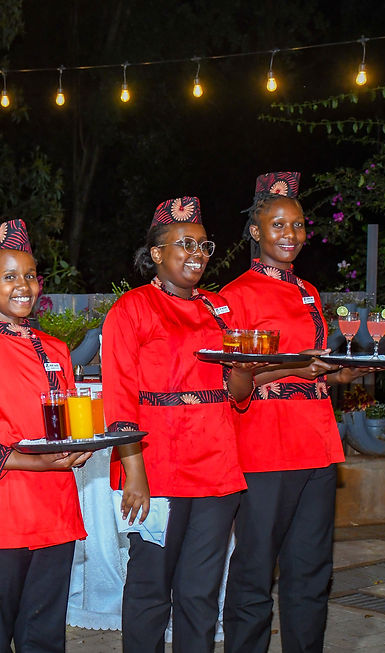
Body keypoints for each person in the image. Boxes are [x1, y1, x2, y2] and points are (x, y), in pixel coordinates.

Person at [220, 172, 372, 653]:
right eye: (278, 225)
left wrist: (336, 375)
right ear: (256, 232)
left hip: (318, 446)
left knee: (310, 570)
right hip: (264, 449)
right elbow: (232, 384)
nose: (290, 235)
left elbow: (314, 369)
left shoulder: (309, 293)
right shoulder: (234, 296)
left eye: (298, 225)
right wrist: (301, 370)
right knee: (254, 571)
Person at [101, 197, 257, 652]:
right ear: (156, 253)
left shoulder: (220, 308)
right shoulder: (132, 309)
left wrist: (247, 364)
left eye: (204, 245)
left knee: (201, 592)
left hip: (216, 468)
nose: (198, 253)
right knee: (151, 589)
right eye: (185, 243)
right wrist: (135, 475)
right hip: (158, 468)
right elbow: (119, 398)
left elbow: (240, 394)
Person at [0, 218, 91, 653]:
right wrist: (34, 461)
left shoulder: (55, 349)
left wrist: (83, 444)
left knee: (44, 641)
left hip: (55, 512)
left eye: (29, 275)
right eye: (9, 276)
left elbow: (64, 425)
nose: (23, 285)